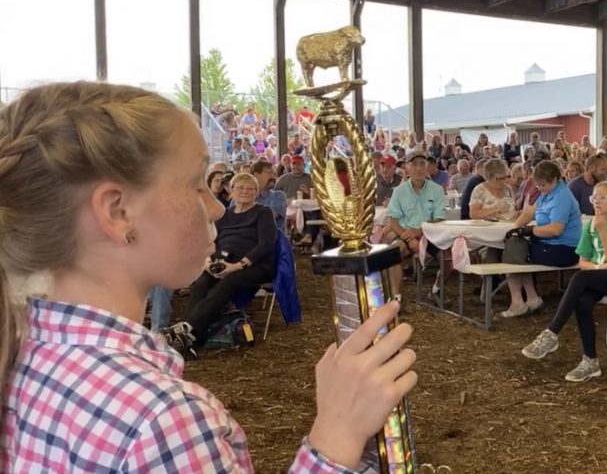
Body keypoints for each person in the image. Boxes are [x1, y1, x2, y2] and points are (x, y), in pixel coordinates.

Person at [0, 82, 416, 472]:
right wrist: (337, 434)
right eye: (197, 184)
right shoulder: (162, 422)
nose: (214, 208)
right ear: (118, 211)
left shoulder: (21, 354)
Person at [520, 181, 607, 381]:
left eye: (603, 197)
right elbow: (582, 261)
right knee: (582, 301)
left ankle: (552, 332)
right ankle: (590, 360)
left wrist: (603, 232)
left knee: (579, 279)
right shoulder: (590, 225)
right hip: (598, 273)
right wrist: (597, 267)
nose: (597, 202)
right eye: (595, 197)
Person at [163, 173, 277, 356]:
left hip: (254, 265)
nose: (245, 192)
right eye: (240, 188)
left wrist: (239, 265)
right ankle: (189, 338)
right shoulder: (224, 215)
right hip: (223, 262)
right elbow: (212, 241)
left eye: (250, 189)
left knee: (229, 282)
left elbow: (266, 244)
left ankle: (186, 330)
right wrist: (209, 261)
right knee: (202, 281)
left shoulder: (263, 213)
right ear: (231, 191)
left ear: (256, 192)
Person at [502, 161, 583, 317]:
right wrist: (515, 228)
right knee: (517, 249)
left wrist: (529, 230)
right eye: (537, 185)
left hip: (564, 250)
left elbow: (555, 229)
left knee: (515, 252)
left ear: (553, 180)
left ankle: (518, 302)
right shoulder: (548, 193)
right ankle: (531, 298)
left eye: (542, 185)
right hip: (551, 245)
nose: (539, 188)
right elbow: (530, 211)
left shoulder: (562, 197)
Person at [386, 151, 447, 293]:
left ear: (427, 167)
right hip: (404, 234)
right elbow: (393, 221)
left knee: (449, 258)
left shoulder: (437, 190)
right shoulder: (399, 191)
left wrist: (419, 232)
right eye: (414, 164)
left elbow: (439, 218)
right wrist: (409, 237)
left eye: (422, 164)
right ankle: (396, 297)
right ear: (407, 167)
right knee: (394, 251)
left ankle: (437, 290)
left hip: (431, 235)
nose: (418, 168)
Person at [252, 160, 287, 232]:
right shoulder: (240, 197)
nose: (274, 177)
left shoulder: (278, 196)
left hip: (271, 239)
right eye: (270, 173)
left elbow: (267, 218)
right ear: (256, 175)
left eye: (274, 173)